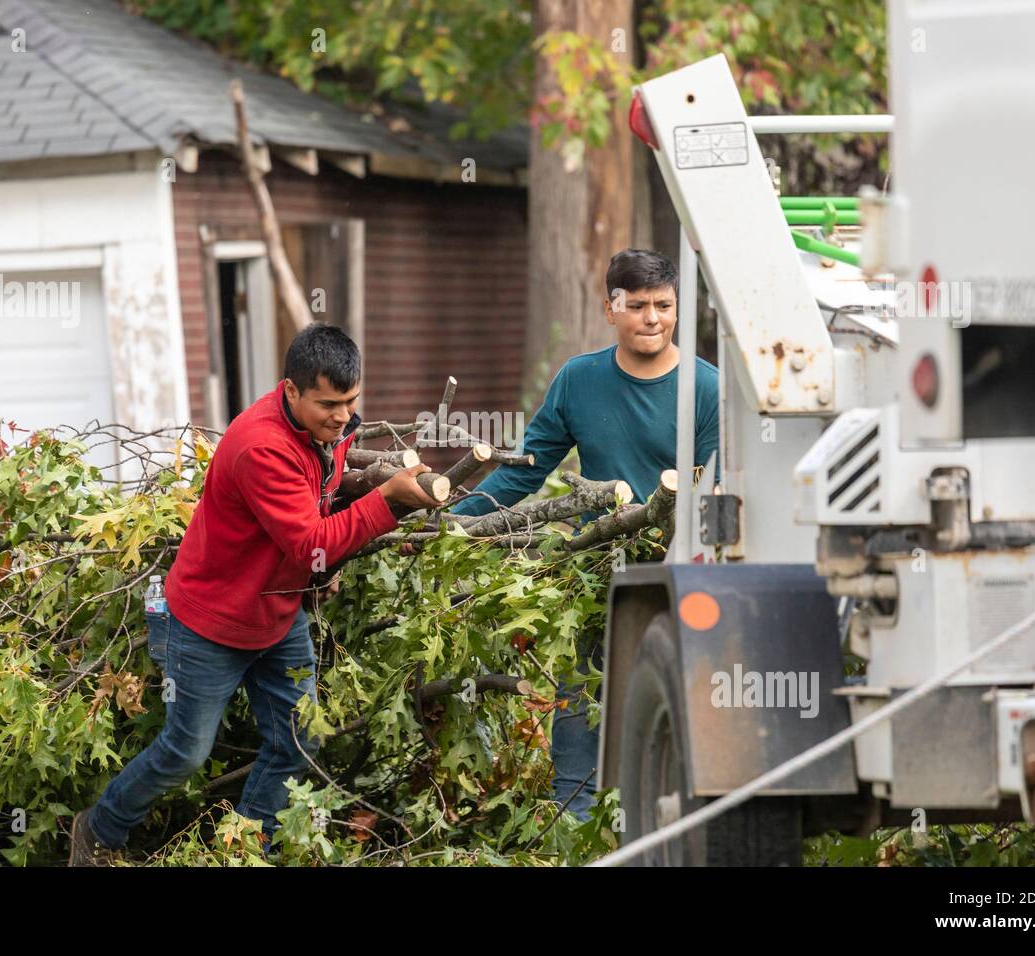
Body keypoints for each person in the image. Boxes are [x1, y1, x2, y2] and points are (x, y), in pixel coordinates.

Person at [69, 324, 439, 865]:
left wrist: (315, 572)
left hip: (277, 611)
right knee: (185, 752)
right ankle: (99, 828)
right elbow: (311, 536)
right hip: (207, 623)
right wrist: (385, 499)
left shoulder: (329, 433)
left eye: (351, 402)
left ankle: (246, 849)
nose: (341, 416)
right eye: (328, 404)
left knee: (297, 741)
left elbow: (312, 517)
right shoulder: (261, 446)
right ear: (289, 391)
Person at [450, 248, 720, 820]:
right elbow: (526, 468)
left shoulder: (706, 387)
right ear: (611, 308)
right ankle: (573, 831)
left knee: (682, 723)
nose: (652, 318)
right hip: (590, 577)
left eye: (664, 306)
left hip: (679, 581)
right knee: (579, 723)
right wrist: (460, 521)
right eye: (639, 305)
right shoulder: (579, 379)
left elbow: (717, 489)